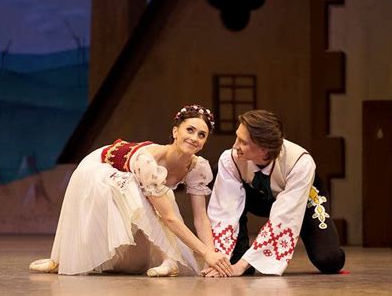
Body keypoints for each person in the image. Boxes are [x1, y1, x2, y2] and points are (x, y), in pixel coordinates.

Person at [29, 104, 232, 277]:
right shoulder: (149, 162)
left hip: (132, 175)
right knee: (145, 195)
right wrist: (205, 253)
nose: (194, 138)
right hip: (99, 168)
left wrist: (211, 259)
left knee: (155, 202)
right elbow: (168, 217)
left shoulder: (198, 167)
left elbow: (201, 218)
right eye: (190, 130)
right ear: (175, 132)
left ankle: (169, 260)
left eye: (201, 135)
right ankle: (63, 258)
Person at [202, 110, 345, 277]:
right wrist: (222, 262)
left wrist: (241, 266)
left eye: (243, 142)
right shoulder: (230, 159)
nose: (235, 146)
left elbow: (285, 216)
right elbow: (225, 210)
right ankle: (239, 255)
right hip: (258, 197)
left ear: (264, 149)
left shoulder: (300, 162)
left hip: (301, 201)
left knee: (329, 259)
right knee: (231, 263)